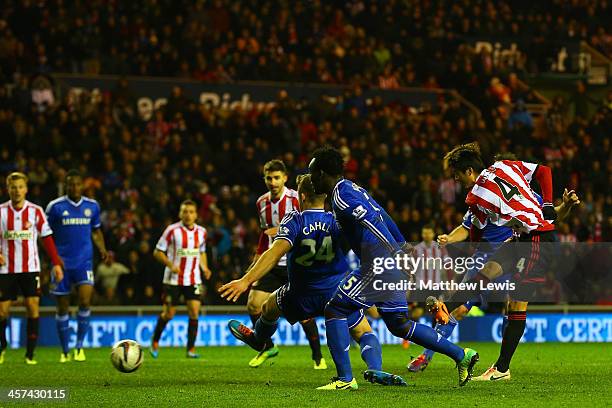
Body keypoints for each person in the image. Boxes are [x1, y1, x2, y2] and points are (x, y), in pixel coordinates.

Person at [308, 147, 479, 390]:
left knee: (335, 309)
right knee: (399, 324)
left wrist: (396, 253)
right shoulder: (352, 188)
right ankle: (462, 355)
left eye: (312, 173)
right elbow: (382, 214)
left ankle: (345, 379)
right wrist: (402, 245)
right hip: (388, 260)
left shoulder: (340, 196)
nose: (311, 178)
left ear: (323, 173)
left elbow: (370, 220)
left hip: (379, 263)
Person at [219, 174, 405, 389]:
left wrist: (246, 280)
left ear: (302, 195)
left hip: (300, 293)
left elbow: (274, 253)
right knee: (364, 332)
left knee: (268, 307)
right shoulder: (337, 219)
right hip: (337, 292)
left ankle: (258, 339)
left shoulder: (295, 219)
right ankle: (374, 366)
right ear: (325, 196)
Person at [442, 142, 561, 381]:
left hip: (537, 238)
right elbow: (544, 172)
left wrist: (473, 247)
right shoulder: (503, 165)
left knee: (516, 305)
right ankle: (446, 307)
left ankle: (502, 369)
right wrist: (547, 203)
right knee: (486, 271)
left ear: (468, 171)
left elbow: (476, 231)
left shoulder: (475, 195)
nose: (455, 179)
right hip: (521, 237)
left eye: (456, 174)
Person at [245, 160, 323, 369]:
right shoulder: (261, 203)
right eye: (269, 178)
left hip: (294, 261)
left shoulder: (295, 198)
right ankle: (268, 345)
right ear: (264, 179)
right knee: (253, 303)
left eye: (277, 177)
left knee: (303, 312)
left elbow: (308, 220)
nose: (273, 182)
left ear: (285, 178)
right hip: (271, 262)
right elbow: (264, 236)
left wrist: (279, 228)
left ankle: (318, 356)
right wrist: (256, 261)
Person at [0, 172, 64, 365]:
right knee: (2, 311)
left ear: (26, 189)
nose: (17, 191)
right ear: (8, 189)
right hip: (6, 269)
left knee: (32, 307)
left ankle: (29, 354)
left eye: (20, 187)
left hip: (30, 267)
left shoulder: (36, 211)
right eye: (13, 187)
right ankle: (2, 345)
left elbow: (47, 239)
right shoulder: (1, 211)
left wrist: (57, 263)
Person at [46, 169, 108, 362]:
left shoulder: (92, 206)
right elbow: (45, 235)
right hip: (61, 264)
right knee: (63, 307)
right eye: (70, 184)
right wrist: (53, 259)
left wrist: (103, 249)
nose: (74, 187)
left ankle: (79, 347)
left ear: (83, 186)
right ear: (66, 186)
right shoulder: (55, 207)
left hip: (84, 262)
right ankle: (65, 350)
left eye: (77, 184)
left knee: (85, 301)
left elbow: (96, 232)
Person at [149, 200, 212, 358]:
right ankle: (155, 341)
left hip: (193, 279)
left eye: (191, 211)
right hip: (173, 280)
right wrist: (170, 264)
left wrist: (204, 268)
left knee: (194, 312)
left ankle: (190, 349)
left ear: (196, 214)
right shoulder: (172, 230)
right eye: (185, 211)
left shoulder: (202, 232)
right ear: (180, 214)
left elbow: (201, 252)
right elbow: (157, 252)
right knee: (169, 314)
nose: (188, 215)